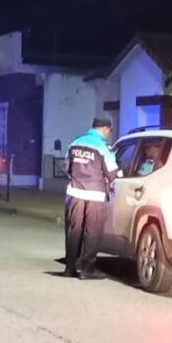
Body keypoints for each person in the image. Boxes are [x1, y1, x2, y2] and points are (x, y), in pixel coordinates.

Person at [64, 117, 119, 280]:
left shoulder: (75, 143)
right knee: (93, 232)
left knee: (74, 231)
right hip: (95, 195)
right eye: (109, 131)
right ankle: (87, 268)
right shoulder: (102, 146)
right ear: (105, 129)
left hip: (75, 194)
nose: (109, 134)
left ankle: (70, 268)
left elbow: (66, 167)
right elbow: (112, 172)